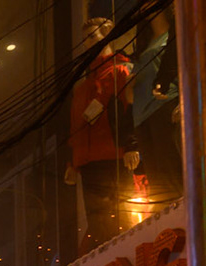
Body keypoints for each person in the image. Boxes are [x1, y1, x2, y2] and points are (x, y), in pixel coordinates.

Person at [65, 17, 139, 252]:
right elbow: (76, 127)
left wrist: (131, 145)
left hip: (113, 155)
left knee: (121, 216)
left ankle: (127, 258)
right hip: (89, 161)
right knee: (98, 222)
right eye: (86, 39)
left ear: (107, 35)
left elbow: (130, 110)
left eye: (93, 36)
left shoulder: (120, 71)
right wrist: (72, 162)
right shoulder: (83, 87)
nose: (89, 43)